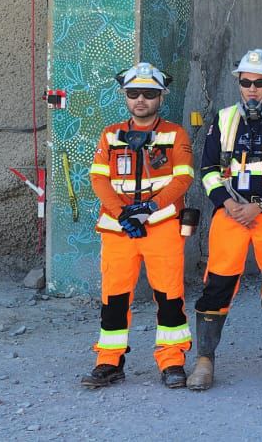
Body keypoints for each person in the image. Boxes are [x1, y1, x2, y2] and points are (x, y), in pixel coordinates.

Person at [187, 49, 262, 391]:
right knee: (217, 285)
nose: (252, 89)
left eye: (260, 83)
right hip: (230, 215)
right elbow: (208, 169)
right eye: (246, 82)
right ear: (239, 83)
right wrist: (225, 203)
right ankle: (204, 361)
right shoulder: (222, 119)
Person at [80, 62, 193, 389]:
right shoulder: (110, 134)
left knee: (170, 297)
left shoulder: (175, 134)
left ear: (161, 96)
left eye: (149, 93)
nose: (141, 99)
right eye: (134, 93)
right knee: (113, 298)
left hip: (162, 225)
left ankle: (172, 362)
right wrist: (122, 213)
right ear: (125, 96)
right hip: (119, 230)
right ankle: (109, 362)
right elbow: (99, 179)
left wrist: (149, 208)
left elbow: (184, 178)